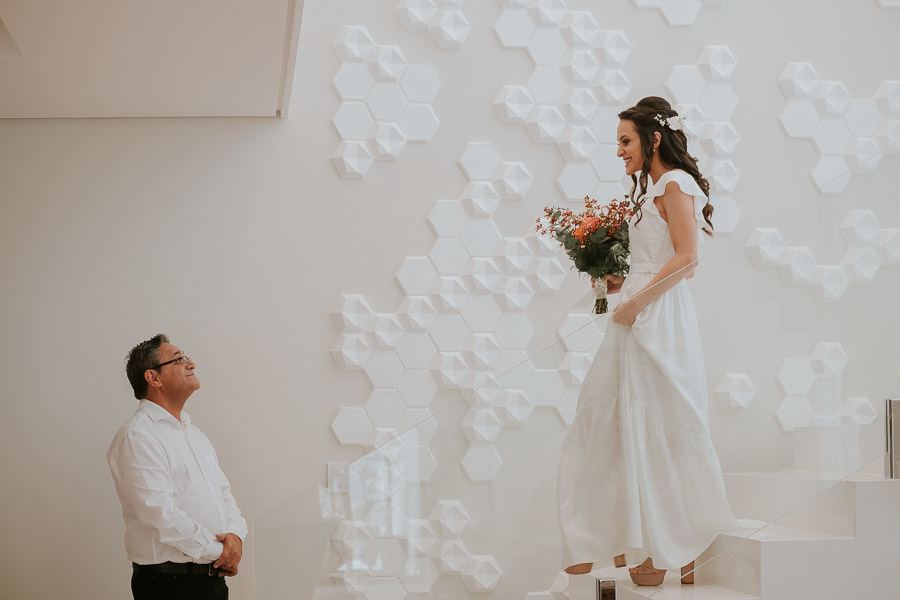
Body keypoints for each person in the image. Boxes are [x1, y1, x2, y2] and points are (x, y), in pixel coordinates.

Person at [556, 97, 756, 586]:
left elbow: (688, 259)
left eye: (625, 141)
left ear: (654, 138)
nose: (619, 151)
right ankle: (631, 541)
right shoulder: (650, 190)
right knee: (616, 419)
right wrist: (617, 283)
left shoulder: (675, 183)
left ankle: (670, 545)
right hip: (640, 309)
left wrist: (638, 301)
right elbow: (660, 259)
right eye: (618, 143)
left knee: (660, 421)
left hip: (657, 317)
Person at [108, 334, 247, 599]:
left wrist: (235, 537)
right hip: (170, 586)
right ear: (154, 378)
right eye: (179, 359)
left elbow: (224, 495)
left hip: (212, 581)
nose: (191, 363)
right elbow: (160, 513)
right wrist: (222, 553)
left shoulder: (195, 435)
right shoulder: (138, 436)